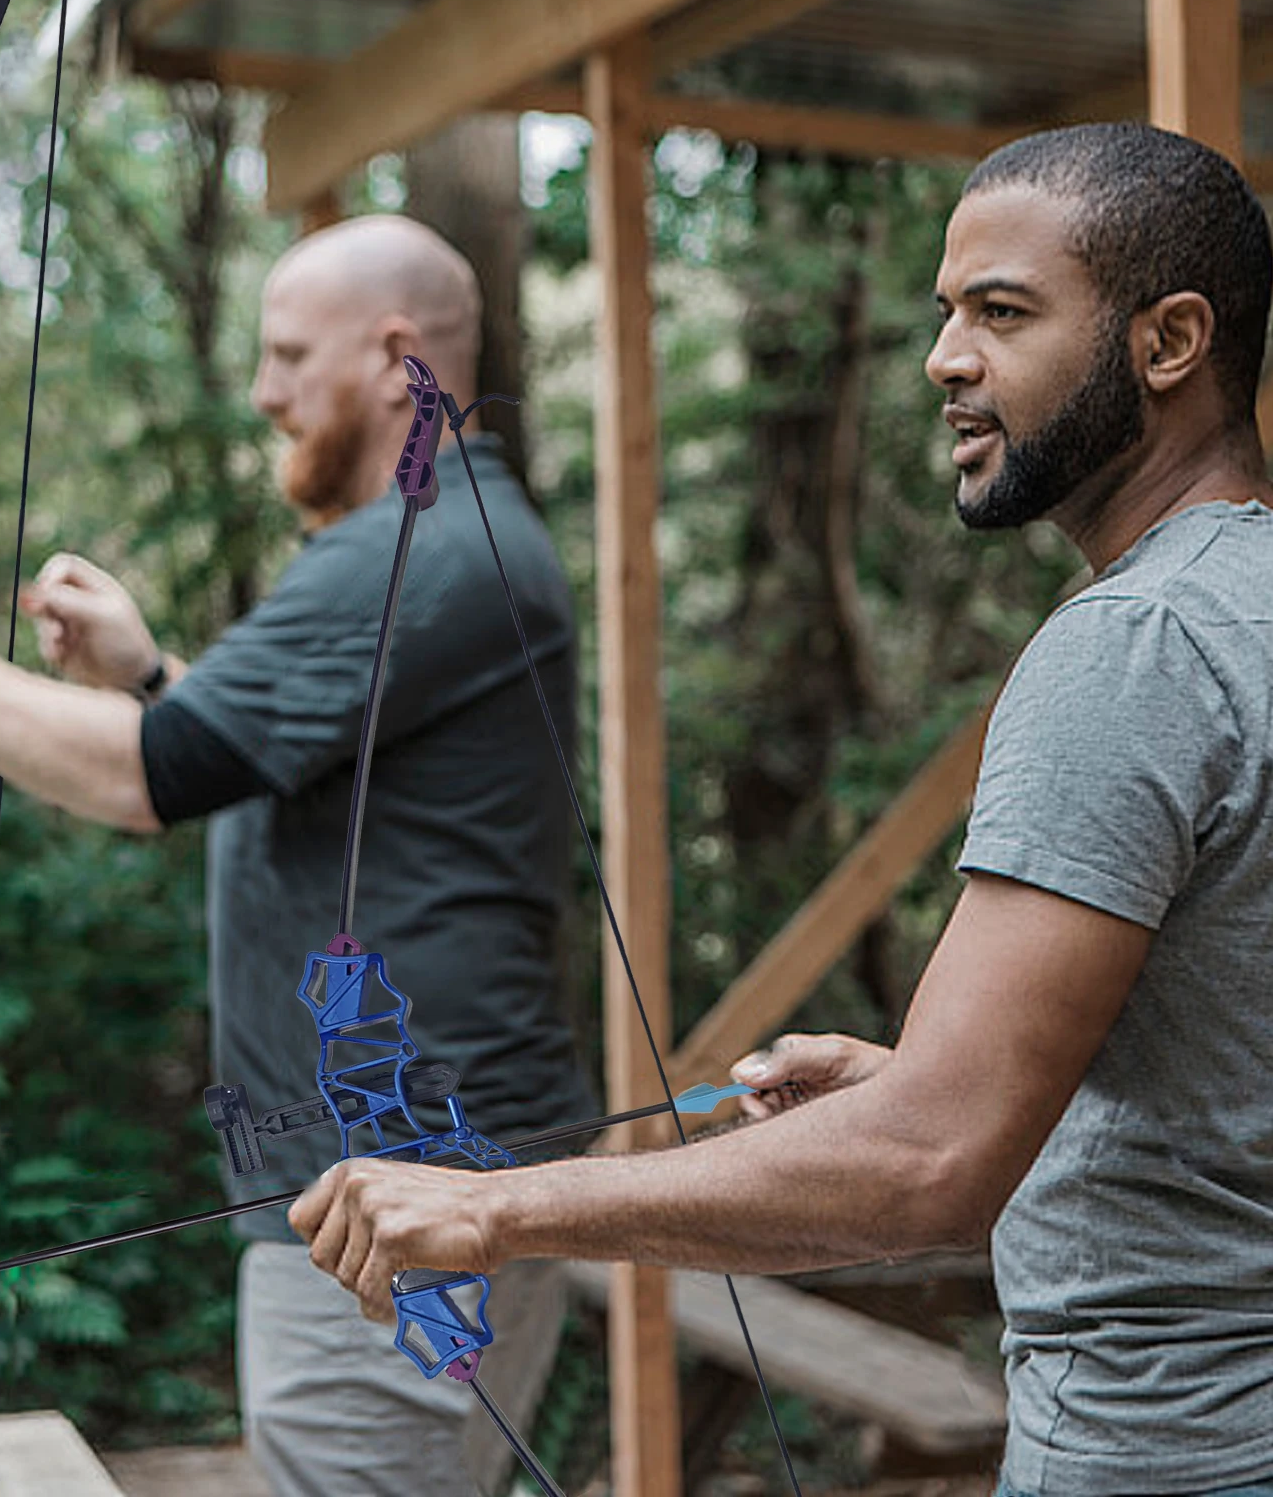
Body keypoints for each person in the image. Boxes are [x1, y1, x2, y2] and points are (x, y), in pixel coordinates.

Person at [290, 124, 1273, 1495]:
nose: (945, 358)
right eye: (944, 312)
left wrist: (495, 1202)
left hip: (1169, 1450)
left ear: (1169, 342)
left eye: (1003, 312)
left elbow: (928, 1168)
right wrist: (911, 1079)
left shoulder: (1137, 644)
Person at [0, 214, 595, 1497]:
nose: (265, 393)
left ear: (398, 360)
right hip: (396, 1198)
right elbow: (268, 773)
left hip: (399, 1204)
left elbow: (146, 776)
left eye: (286, 356)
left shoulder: (417, 547)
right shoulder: (434, 540)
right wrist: (154, 675)